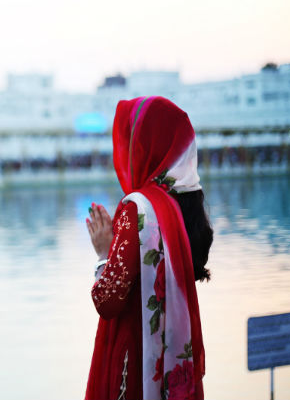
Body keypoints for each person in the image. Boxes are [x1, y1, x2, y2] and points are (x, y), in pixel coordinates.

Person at [85, 96, 213, 400]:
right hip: (168, 354)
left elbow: (107, 301)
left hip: (137, 363)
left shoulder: (138, 209)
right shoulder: (182, 202)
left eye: (133, 142)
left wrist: (103, 254)